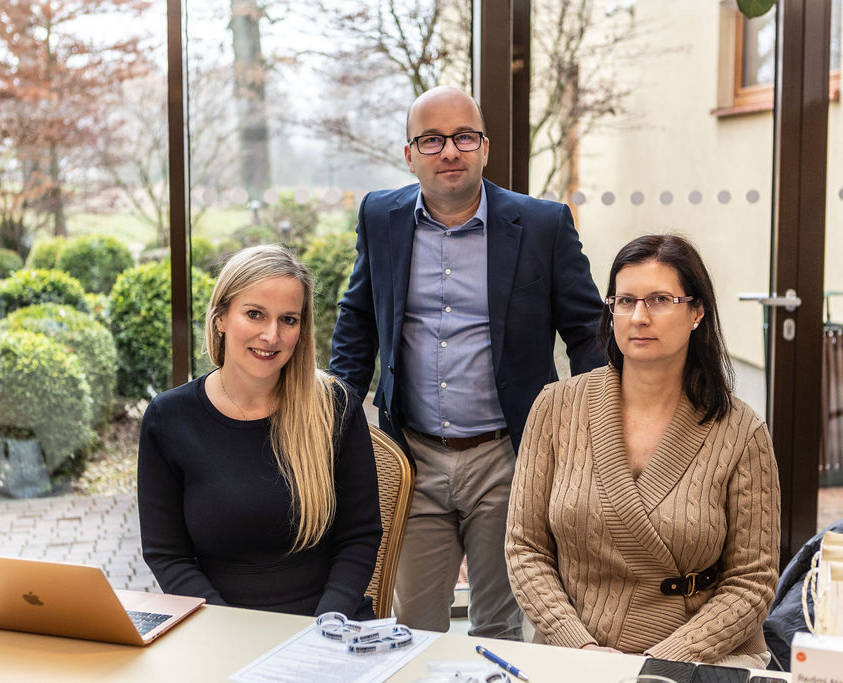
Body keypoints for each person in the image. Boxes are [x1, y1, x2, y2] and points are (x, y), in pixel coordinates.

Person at [329, 85, 604, 639]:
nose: (449, 151)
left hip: (508, 457)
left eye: (463, 137)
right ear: (409, 155)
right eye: (431, 140)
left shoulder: (544, 225)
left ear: (485, 147)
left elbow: (586, 333)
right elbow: (357, 320)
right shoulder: (380, 217)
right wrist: (334, 417)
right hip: (414, 456)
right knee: (413, 629)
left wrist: (595, 434)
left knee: (499, 625)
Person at [506, 234, 781, 666]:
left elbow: (752, 581)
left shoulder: (742, 431)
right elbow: (526, 548)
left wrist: (660, 661)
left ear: (697, 312)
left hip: (701, 653)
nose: (638, 317)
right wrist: (580, 645)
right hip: (576, 650)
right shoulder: (556, 407)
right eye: (625, 301)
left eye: (659, 300)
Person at [138, 244, 383, 619]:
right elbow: (167, 555)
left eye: (289, 320)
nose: (272, 335)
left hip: (328, 624)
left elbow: (359, 536)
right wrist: (229, 627)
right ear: (220, 318)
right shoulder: (168, 418)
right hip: (217, 625)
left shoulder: (335, 406)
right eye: (255, 314)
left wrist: (326, 627)